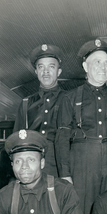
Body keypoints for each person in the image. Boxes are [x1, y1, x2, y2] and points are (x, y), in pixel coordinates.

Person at [55, 39, 107, 214]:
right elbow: (62, 138)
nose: (103, 67)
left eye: (106, 63)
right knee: (82, 212)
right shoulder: (69, 98)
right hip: (81, 163)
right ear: (85, 66)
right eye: (97, 62)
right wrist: (65, 174)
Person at [13, 44, 68, 179]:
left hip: (61, 166)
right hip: (32, 165)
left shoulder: (70, 100)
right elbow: (17, 141)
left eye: (51, 67)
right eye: (41, 67)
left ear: (59, 72)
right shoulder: (26, 103)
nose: (46, 71)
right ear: (36, 72)